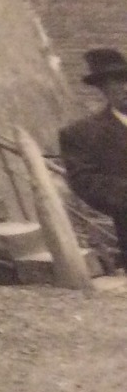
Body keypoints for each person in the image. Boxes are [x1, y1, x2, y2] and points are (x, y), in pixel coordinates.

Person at [59, 46, 127, 266]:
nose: (125, 87)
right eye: (116, 82)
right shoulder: (82, 134)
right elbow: (85, 183)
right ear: (102, 89)